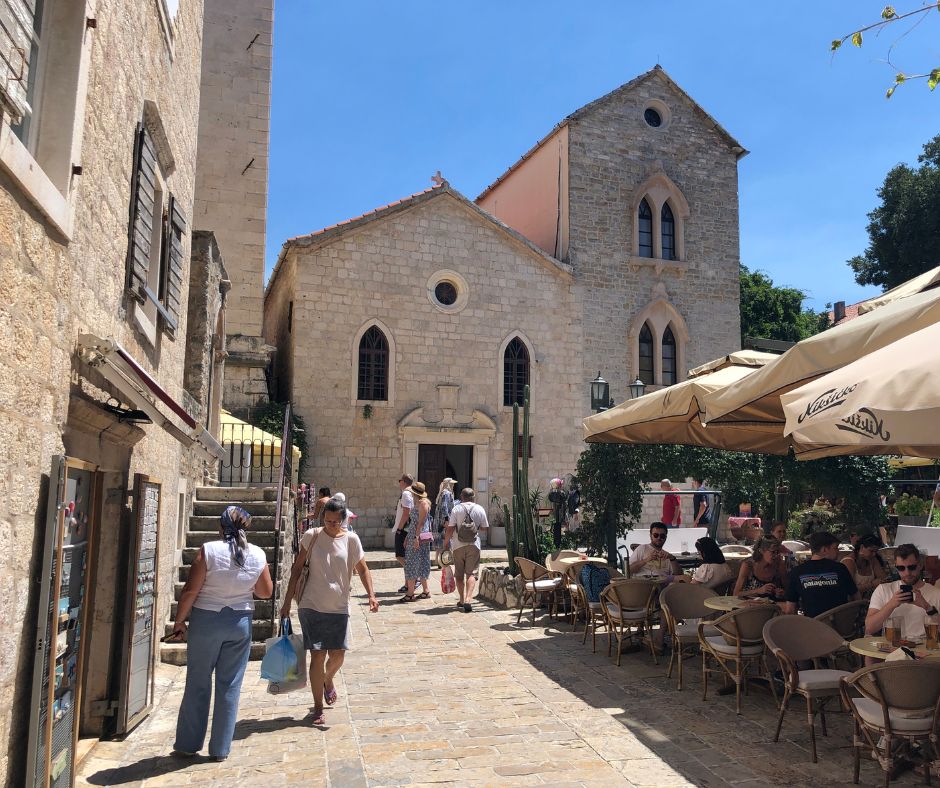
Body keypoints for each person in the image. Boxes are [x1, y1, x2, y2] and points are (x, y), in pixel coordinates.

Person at [172, 506, 273, 760]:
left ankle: (187, 743)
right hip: (239, 622)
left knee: (198, 681)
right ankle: (220, 748)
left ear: (221, 527)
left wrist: (180, 621)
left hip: (207, 620)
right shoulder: (258, 555)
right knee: (230, 686)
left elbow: (191, 591)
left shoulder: (209, 551)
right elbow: (265, 592)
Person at [280, 499, 378, 726]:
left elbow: (362, 569)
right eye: (328, 521)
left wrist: (371, 595)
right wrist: (287, 603)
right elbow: (296, 569)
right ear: (322, 518)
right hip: (311, 604)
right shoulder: (312, 536)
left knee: (338, 654)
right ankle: (317, 707)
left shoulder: (351, 540)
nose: (331, 525)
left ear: (343, 520)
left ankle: (328, 678)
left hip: (339, 606)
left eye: (335, 522)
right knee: (317, 654)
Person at [865, 543, 940, 641]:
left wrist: (927, 607)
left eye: (911, 567)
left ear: (920, 565)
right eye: (901, 568)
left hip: (924, 650)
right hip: (892, 650)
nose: (907, 573)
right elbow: (870, 628)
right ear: (896, 568)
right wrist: (891, 604)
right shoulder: (884, 589)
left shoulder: (936, 593)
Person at [782, 531, 859, 617]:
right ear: (824, 550)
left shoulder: (797, 572)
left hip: (813, 626)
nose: (838, 552)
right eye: (835, 548)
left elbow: (790, 610)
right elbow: (856, 598)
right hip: (841, 625)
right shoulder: (840, 568)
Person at [444, 488, 489, 612]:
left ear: (461, 497)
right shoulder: (480, 509)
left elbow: (451, 528)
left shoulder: (456, 509)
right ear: (473, 497)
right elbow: (485, 528)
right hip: (474, 545)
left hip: (458, 545)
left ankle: (462, 599)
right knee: (471, 573)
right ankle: (469, 599)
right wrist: (475, 527)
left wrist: (446, 542)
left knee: (459, 574)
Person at [401, 482, 433, 603]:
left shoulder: (423, 504)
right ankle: (425, 590)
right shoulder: (419, 503)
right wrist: (407, 537)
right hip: (414, 536)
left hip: (418, 538)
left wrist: (415, 538)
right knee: (419, 562)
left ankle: (410, 593)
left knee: (412, 563)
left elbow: (420, 524)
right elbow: (413, 524)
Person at [393, 473, 414, 594]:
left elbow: (406, 512)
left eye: (399, 480)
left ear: (403, 482)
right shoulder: (410, 493)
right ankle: (408, 583)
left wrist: (400, 528)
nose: (399, 482)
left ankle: (412, 578)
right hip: (407, 528)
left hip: (404, 529)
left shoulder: (406, 493)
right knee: (404, 556)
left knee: (400, 556)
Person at [433, 477, 456, 547]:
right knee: (445, 538)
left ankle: (439, 557)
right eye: (452, 484)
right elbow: (444, 506)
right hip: (444, 520)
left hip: (441, 519)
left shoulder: (444, 492)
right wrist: (446, 520)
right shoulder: (446, 493)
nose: (453, 485)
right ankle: (443, 556)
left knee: (441, 539)